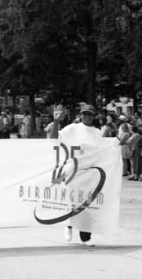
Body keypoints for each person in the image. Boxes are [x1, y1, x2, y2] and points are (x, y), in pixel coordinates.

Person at [52, 104, 102, 247]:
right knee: (71, 201)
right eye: (85, 114)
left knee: (86, 205)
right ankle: (69, 224)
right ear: (81, 115)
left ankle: (85, 237)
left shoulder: (97, 132)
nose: (87, 116)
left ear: (94, 116)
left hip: (89, 173)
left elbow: (103, 150)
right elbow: (54, 138)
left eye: (90, 114)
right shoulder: (72, 129)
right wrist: (56, 121)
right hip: (73, 171)